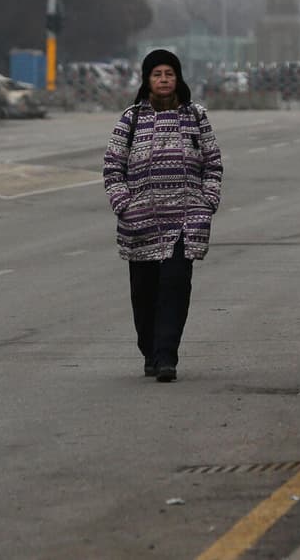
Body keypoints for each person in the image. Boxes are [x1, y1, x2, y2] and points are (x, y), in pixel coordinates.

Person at [103, 49, 223, 382]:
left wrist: (207, 199)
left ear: (178, 78)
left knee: (175, 287)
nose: (164, 80)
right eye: (157, 74)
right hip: (140, 222)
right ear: (147, 81)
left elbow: (212, 163)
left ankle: (167, 355)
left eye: (169, 73)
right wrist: (123, 204)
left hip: (186, 220)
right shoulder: (131, 119)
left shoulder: (196, 117)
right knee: (144, 294)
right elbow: (113, 167)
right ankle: (150, 350)